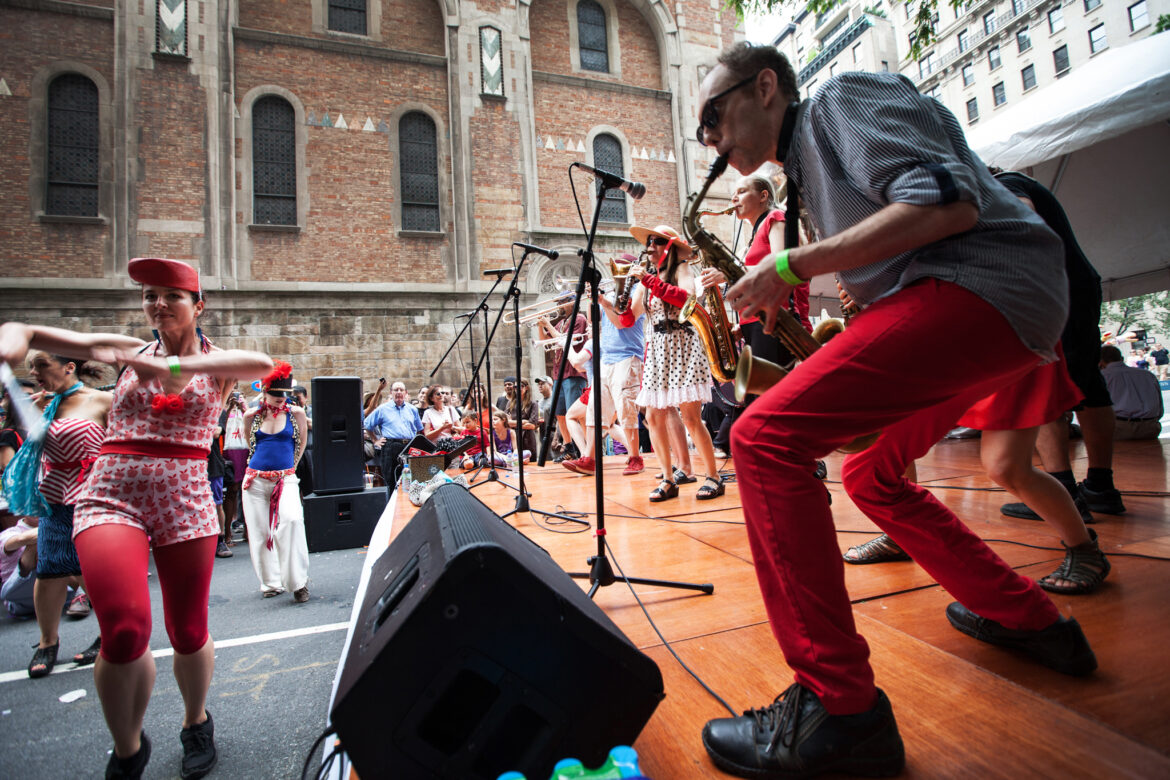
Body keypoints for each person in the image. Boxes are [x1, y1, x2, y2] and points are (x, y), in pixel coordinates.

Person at [695, 43, 1095, 777]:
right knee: (874, 472)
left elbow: (946, 202)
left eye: (713, 115)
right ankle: (1031, 619)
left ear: (766, 85)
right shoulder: (806, 170)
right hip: (995, 305)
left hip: (981, 285)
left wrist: (791, 265)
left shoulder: (840, 99)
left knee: (762, 438)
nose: (709, 139)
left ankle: (838, 708)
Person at [0, 256, 273, 780]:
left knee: (188, 629)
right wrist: (16, 330)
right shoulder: (128, 350)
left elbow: (260, 364)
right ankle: (128, 749)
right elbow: (35, 331)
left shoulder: (218, 365)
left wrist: (173, 368)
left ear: (199, 304)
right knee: (124, 629)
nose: (158, 304)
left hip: (185, 494)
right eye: (150, 295)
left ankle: (196, 720)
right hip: (111, 491)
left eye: (171, 294)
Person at [2, 352, 108, 678]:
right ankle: (48, 642)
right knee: (49, 570)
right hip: (53, 496)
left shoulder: (102, 400)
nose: (34, 372)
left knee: (95, 571)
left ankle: (110, 638)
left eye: (41, 365)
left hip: (94, 496)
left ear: (69, 367)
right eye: (32, 367)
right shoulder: (45, 404)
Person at [700, 173, 812, 455]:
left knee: (772, 400)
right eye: (732, 194)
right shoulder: (755, 232)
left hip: (777, 321)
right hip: (757, 322)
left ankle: (801, 460)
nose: (733, 199)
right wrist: (742, 325)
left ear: (764, 195)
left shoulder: (776, 217)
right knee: (760, 400)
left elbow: (779, 264)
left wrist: (727, 274)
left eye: (741, 191)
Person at [628, 225, 721, 502]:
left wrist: (648, 282)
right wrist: (605, 302)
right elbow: (627, 319)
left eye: (656, 241)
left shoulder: (681, 270)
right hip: (658, 349)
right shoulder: (648, 280)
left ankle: (714, 477)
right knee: (653, 416)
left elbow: (687, 299)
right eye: (648, 242)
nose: (650, 246)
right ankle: (668, 479)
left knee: (691, 417)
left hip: (682, 344)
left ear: (669, 246)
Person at [562, 258, 647, 476]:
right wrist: (593, 298)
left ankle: (635, 457)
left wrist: (603, 301)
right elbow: (593, 321)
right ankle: (589, 458)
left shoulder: (637, 290)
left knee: (626, 408)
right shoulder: (610, 294)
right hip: (606, 358)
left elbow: (621, 321)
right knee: (594, 410)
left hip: (628, 356)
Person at [242, 362, 310, 602]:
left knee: (292, 521)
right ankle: (271, 582)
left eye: (284, 395)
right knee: (261, 533)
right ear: (264, 391)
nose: (280, 399)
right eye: (275, 394)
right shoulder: (251, 415)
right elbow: (250, 444)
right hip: (255, 481)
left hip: (286, 478)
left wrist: (288, 469)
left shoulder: (296, 413)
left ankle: (298, 582)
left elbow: (301, 443)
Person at [536, 303, 589, 461]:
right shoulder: (561, 322)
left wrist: (548, 325)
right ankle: (569, 446)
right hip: (559, 374)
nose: (559, 305)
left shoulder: (579, 319)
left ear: (573, 303)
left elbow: (565, 340)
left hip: (573, 373)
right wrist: (541, 325)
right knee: (560, 413)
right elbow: (544, 341)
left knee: (577, 414)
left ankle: (587, 448)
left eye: (562, 302)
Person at [363, 381, 422, 486]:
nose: (398, 392)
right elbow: (367, 424)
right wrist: (375, 440)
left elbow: (419, 428)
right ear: (391, 392)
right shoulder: (383, 409)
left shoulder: (412, 409)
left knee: (411, 481)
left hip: (409, 447)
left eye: (401, 390)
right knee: (391, 481)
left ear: (406, 393)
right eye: (396, 390)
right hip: (391, 447)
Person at [1100, 344, 1163, 439]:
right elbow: (1160, 406)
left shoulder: (1102, 377)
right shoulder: (1147, 375)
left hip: (1119, 427)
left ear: (1100, 362)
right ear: (1121, 358)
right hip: (1151, 427)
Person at [507, 379, 541, 457]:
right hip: (514, 437)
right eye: (515, 387)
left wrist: (514, 424)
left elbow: (532, 425)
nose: (518, 389)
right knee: (515, 462)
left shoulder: (533, 403)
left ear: (527, 388)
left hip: (528, 438)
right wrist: (524, 421)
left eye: (521, 386)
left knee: (530, 463)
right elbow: (507, 423)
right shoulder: (510, 403)